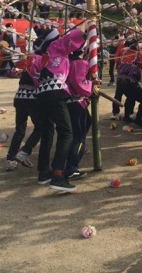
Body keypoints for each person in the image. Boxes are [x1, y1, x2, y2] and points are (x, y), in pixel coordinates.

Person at [36, 24, 87, 192]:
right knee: (67, 133)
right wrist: (87, 28)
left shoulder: (46, 53)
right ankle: (58, 175)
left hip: (43, 93)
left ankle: (44, 172)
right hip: (55, 91)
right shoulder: (55, 46)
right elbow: (71, 39)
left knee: (48, 132)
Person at [5, 53, 43, 171]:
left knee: (20, 130)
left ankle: (10, 159)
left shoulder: (29, 64)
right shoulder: (40, 62)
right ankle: (25, 151)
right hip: (32, 99)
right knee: (41, 127)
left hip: (20, 98)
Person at [65, 48, 93, 180]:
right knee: (78, 136)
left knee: (88, 121)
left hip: (70, 101)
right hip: (75, 102)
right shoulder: (78, 63)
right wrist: (92, 85)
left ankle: (71, 155)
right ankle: (71, 167)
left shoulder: (67, 61)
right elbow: (79, 83)